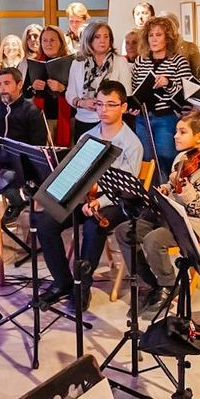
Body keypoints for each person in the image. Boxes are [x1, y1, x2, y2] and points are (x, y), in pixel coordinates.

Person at [34, 79, 143, 315]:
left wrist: (98, 202)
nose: (104, 110)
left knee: (95, 225)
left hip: (115, 202)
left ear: (124, 107)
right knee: (45, 223)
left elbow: (126, 189)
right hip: (85, 197)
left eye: (111, 105)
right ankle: (63, 282)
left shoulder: (131, 144)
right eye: (100, 104)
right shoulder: (88, 136)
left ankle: (82, 285)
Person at [113, 112, 200, 319]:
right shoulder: (182, 157)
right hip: (169, 216)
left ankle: (168, 284)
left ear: (199, 137)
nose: (175, 136)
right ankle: (148, 285)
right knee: (125, 231)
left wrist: (185, 189)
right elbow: (173, 189)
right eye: (176, 131)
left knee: (154, 240)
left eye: (182, 132)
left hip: (193, 223)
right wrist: (166, 188)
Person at [132, 14, 194, 173]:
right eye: (150, 35)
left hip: (166, 118)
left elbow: (187, 94)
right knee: (145, 161)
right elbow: (135, 89)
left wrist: (168, 83)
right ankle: (149, 189)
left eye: (158, 35)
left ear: (168, 38)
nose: (154, 39)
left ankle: (165, 188)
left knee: (165, 159)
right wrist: (134, 106)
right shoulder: (140, 61)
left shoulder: (178, 61)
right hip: (143, 118)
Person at [0, 66, 49, 221]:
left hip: (21, 165)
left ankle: (17, 202)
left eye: (7, 83)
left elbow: (37, 148)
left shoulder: (32, 111)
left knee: (3, 177)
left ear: (20, 84)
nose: (2, 89)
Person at [65, 20, 131, 137]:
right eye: (97, 37)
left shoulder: (120, 62)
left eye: (106, 36)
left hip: (111, 122)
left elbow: (126, 94)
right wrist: (82, 103)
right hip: (84, 121)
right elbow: (70, 94)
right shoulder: (77, 63)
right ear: (89, 39)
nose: (102, 40)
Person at [34, 24, 72, 143]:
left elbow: (80, 92)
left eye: (52, 40)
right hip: (42, 119)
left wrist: (63, 89)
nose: (48, 44)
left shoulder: (72, 62)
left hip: (66, 118)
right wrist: (33, 87)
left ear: (60, 42)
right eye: (44, 40)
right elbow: (25, 92)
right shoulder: (35, 62)